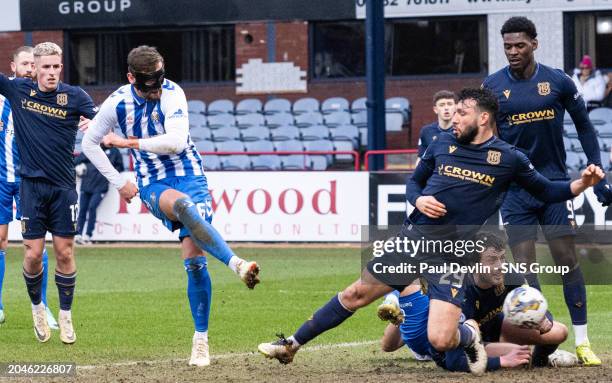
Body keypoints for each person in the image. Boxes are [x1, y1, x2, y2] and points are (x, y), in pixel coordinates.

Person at [257, 88, 604, 375]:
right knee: (355, 295)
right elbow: (414, 183)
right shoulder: (439, 144)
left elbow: (547, 190)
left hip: (453, 256)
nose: (454, 118)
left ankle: (468, 335)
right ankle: (291, 345)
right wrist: (419, 200)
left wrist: (581, 184)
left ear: (483, 117)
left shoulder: (509, 158)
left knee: (441, 340)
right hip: (413, 240)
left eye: (463, 113)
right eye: (453, 113)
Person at [82, 45, 260, 367]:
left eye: (160, 78)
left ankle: (200, 339)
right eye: (149, 83)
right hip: (152, 183)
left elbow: (176, 141)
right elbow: (89, 143)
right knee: (183, 208)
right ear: (131, 77)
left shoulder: (172, 93)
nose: (157, 88)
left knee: (193, 260)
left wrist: (128, 142)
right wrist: (118, 181)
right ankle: (236, 264)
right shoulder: (117, 103)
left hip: (190, 173)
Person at [482, 16, 612, 366]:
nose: (512, 52)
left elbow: (584, 126)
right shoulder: (491, 87)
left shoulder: (557, 81)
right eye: (507, 46)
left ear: (534, 44)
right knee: (525, 269)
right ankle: (546, 342)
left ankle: (583, 342)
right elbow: (484, 139)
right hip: (515, 191)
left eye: (519, 45)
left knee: (568, 263)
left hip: (555, 187)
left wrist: (597, 167)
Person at [0, 42, 98, 344]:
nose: (51, 72)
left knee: (65, 252)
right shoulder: (18, 91)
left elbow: (103, 121)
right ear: (35, 69)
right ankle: (37, 307)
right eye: (46, 67)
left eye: (56, 67)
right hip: (31, 187)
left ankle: (66, 315)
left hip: (64, 188)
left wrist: (94, 125)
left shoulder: (75, 96)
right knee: (32, 255)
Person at [378, 231, 577, 372]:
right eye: (492, 260)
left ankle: (541, 360)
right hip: (463, 346)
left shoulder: (509, 276)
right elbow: (454, 360)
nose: (500, 266)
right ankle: (528, 356)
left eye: (502, 258)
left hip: (492, 329)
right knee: (518, 354)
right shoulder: (458, 291)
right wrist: (501, 362)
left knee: (559, 331)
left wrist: (543, 319)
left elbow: (533, 303)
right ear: (473, 265)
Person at [0, 46, 58, 329]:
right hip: (0, 179)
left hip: (29, 181)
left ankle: (42, 307)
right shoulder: (1, 99)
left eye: (33, 64)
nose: (29, 68)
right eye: (24, 63)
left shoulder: (43, 100)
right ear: (13, 67)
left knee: (34, 245)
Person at [74, 145, 124, 244]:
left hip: (101, 187)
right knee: (82, 209)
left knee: (92, 207)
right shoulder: (91, 147)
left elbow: (120, 167)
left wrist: (110, 174)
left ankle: (88, 235)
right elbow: (76, 161)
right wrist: (79, 169)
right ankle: (78, 234)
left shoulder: (114, 152)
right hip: (86, 185)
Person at [417, 90, 456, 161]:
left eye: (450, 104)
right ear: (435, 109)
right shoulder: (426, 131)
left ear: (455, 107)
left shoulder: (463, 131)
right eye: (442, 105)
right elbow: (421, 159)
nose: (446, 108)